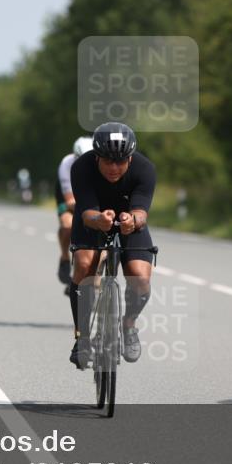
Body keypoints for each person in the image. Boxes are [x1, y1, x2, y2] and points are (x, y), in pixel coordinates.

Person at [68, 122, 156, 369]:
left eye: (121, 161)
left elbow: (141, 211)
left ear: (130, 158)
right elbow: (86, 212)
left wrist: (132, 220)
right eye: (108, 161)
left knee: (140, 277)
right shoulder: (81, 167)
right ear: (97, 157)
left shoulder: (144, 169)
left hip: (130, 223)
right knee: (84, 265)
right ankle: (82, 337)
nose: (114, 168)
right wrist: (99, 220)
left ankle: (129, 324)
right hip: (93, 220)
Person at [55, 136, 95, 286]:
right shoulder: (67, 164)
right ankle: (65, 258)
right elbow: (70, 200)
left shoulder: (100, 163)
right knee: (67, 225)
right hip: (69, 198)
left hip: (87, 197)